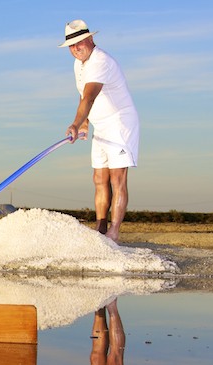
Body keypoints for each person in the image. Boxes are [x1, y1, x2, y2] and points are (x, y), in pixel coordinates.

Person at [60, 20, 139, 242]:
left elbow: (90, 96)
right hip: (101, 125)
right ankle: (100, 228)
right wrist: (85, 123)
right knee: (98, 177)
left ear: (91, 39)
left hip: (120, 123)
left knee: (117, 178)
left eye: (79, 43)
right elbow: (82, 92)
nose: (76, 48)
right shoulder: (80, 64)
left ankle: (114, 231)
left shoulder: (100, 61)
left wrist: (75, 123)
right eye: (71, 45)